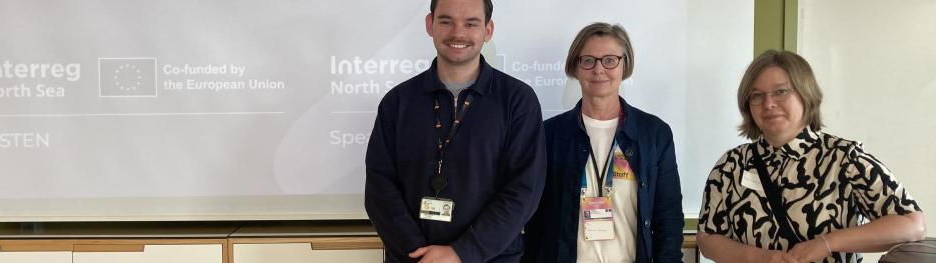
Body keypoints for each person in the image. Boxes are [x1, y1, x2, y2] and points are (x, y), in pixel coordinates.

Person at [697, 50, 926, 263]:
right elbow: (708, 238)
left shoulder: (845, 158)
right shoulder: (731, 164)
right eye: (757, 95)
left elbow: (911, 225)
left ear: (806, 94)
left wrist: (827, 243)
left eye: (781, 91)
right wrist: (762, 258)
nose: (769, 103)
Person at [363, 0, 546, 262]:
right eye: (446, 21)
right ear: (430, 25)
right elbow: (380, 187)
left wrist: (463, 253)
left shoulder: (517, 101)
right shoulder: (398, 102)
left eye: (471, 23)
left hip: (492, 258)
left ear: (488, 30)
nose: (458, 33)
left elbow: (523, 191)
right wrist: (417, 253)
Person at [522, 22, 684, 263]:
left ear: (624, 65)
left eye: (610, 60)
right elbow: (534, 220)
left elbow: (668, 218)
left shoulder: (654, 134)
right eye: (588, 60)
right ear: (575, 68)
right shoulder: (549, 135)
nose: (599, 69)